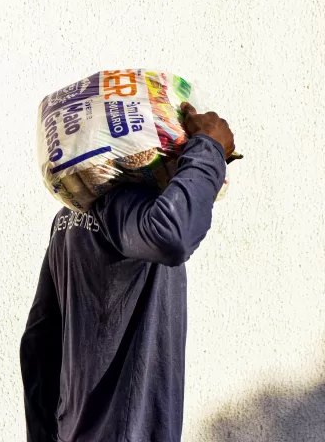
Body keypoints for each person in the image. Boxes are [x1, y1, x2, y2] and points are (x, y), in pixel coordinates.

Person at [20, 103, 236, 442]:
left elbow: (38, 341)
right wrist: (208, 147)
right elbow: (175, 234)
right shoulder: (126, 206)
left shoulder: (67, 220)